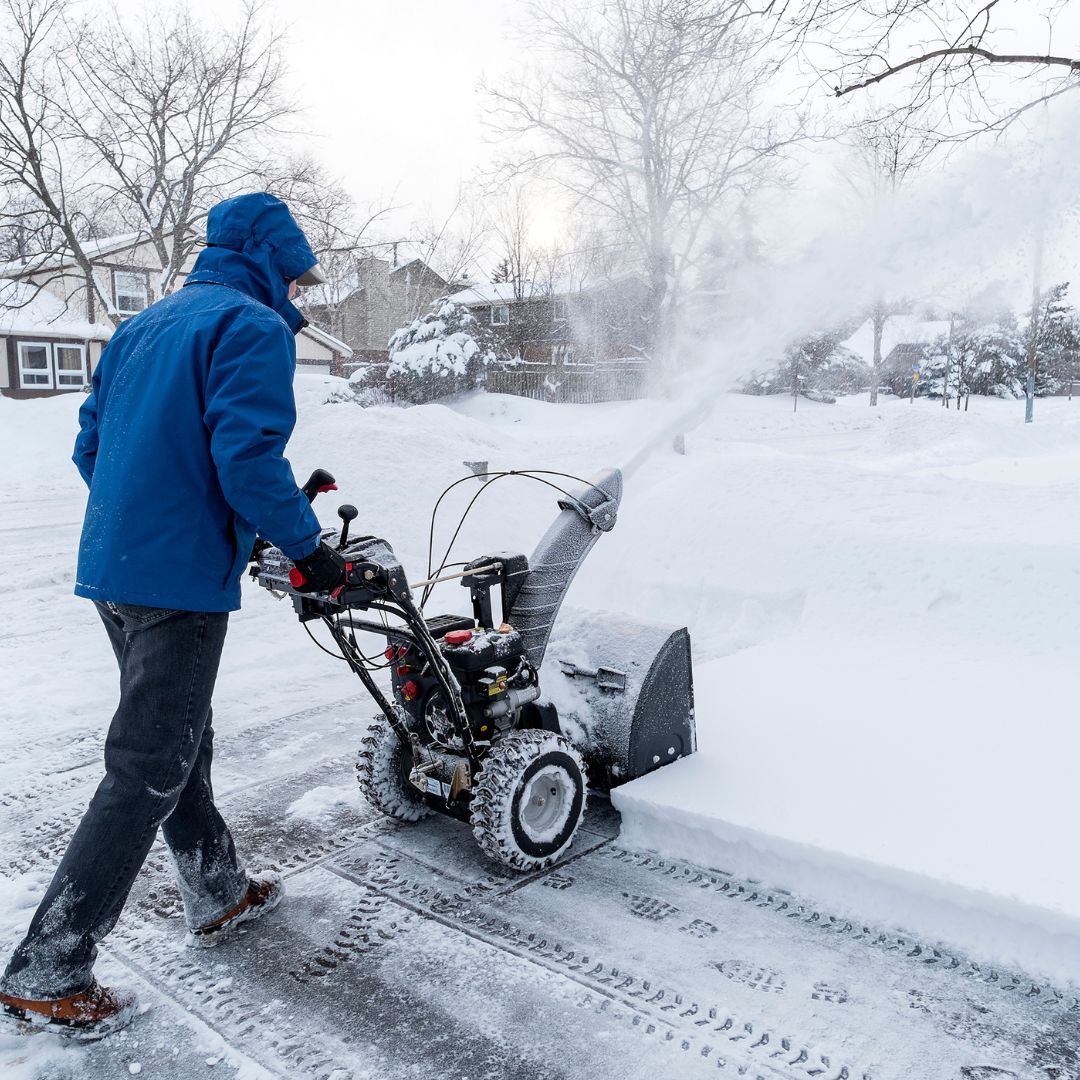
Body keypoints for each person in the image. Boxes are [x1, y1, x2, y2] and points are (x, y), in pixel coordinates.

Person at [0, 192, 348, 1039]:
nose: (296, 298)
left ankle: (218, 888)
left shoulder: (144, 326)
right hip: (178, 583)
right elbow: (247, 458)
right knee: (148, 765)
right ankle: (49, 969)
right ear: (270, 260)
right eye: (295, 279)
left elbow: (90, 444)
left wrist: (147, 517)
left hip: (114, 569)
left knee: (175, 737)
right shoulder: (251, 329)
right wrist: (310, 550)